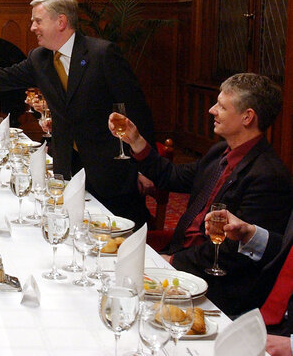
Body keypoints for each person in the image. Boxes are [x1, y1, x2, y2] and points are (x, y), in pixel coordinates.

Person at [0, 0, 155, 228]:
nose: (32, 28)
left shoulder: (102, 54)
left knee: (121, 234)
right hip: (67, 167)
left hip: (111, 170)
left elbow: (136, 108)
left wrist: (147, 165)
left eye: (37, 21)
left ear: (61, 22)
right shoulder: (40, 58)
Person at [109, 73, 293, 315]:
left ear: (247, 117)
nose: (211, 110)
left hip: (216, 286)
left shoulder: (268, 175)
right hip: (182, 257)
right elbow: (171, 176)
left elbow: (233, 254)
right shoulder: (220, 153)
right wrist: (135, 140)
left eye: (222, 106)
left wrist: (173, 262)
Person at [203, 209, 293, 356]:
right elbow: (287, 253)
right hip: (262, 317)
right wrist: (248, 234)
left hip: (283, 335)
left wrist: (291, 345)